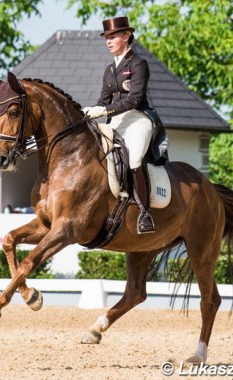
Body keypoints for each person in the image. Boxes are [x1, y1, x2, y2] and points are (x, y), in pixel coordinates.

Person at [83, 16, 168, 234]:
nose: (108, 42)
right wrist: (86, 113)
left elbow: (134, 99)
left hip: (139, 118)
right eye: (106, 38)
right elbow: (103, 102)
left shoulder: (139, 64)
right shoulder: (109, 70)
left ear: (126, 36)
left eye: (113, 37)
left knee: (134, 159)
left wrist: (104, 111)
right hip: (117, 120)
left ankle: (144, 211)